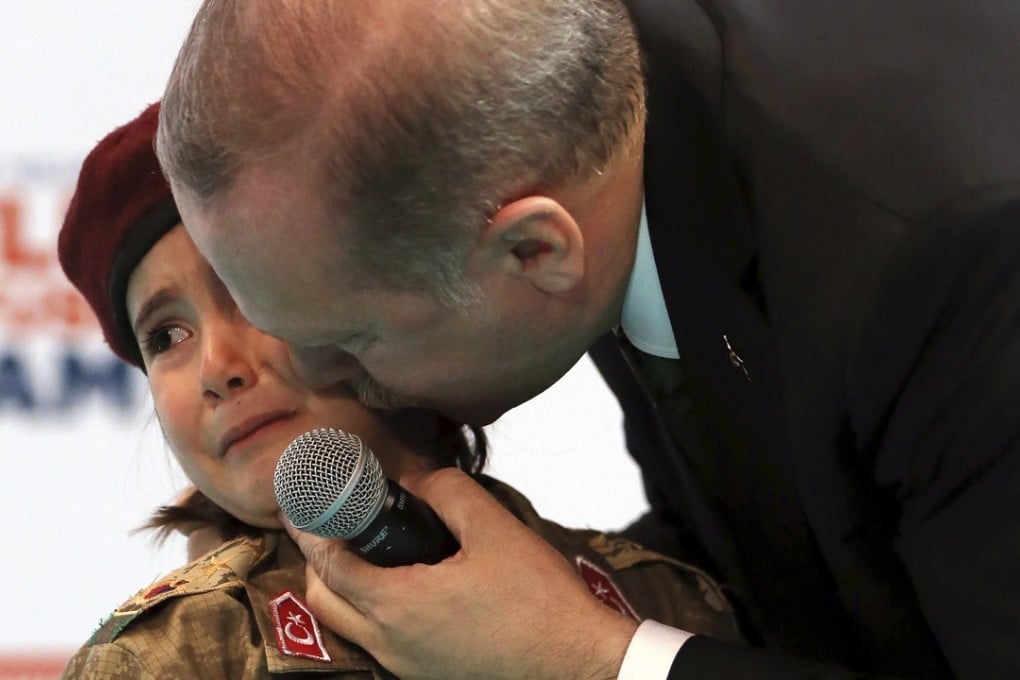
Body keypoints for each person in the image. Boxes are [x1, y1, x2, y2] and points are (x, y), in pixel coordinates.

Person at [156, 1, 1020, 678]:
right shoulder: (567, 101)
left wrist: (589, 660)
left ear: (536, 249)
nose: (309, 373)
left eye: (350, 339)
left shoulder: (957, 268)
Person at [56, 103, 742, 679]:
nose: (216, 366)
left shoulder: (661, 598)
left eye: (243, 292)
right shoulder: (163, 664)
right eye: (165, 337)